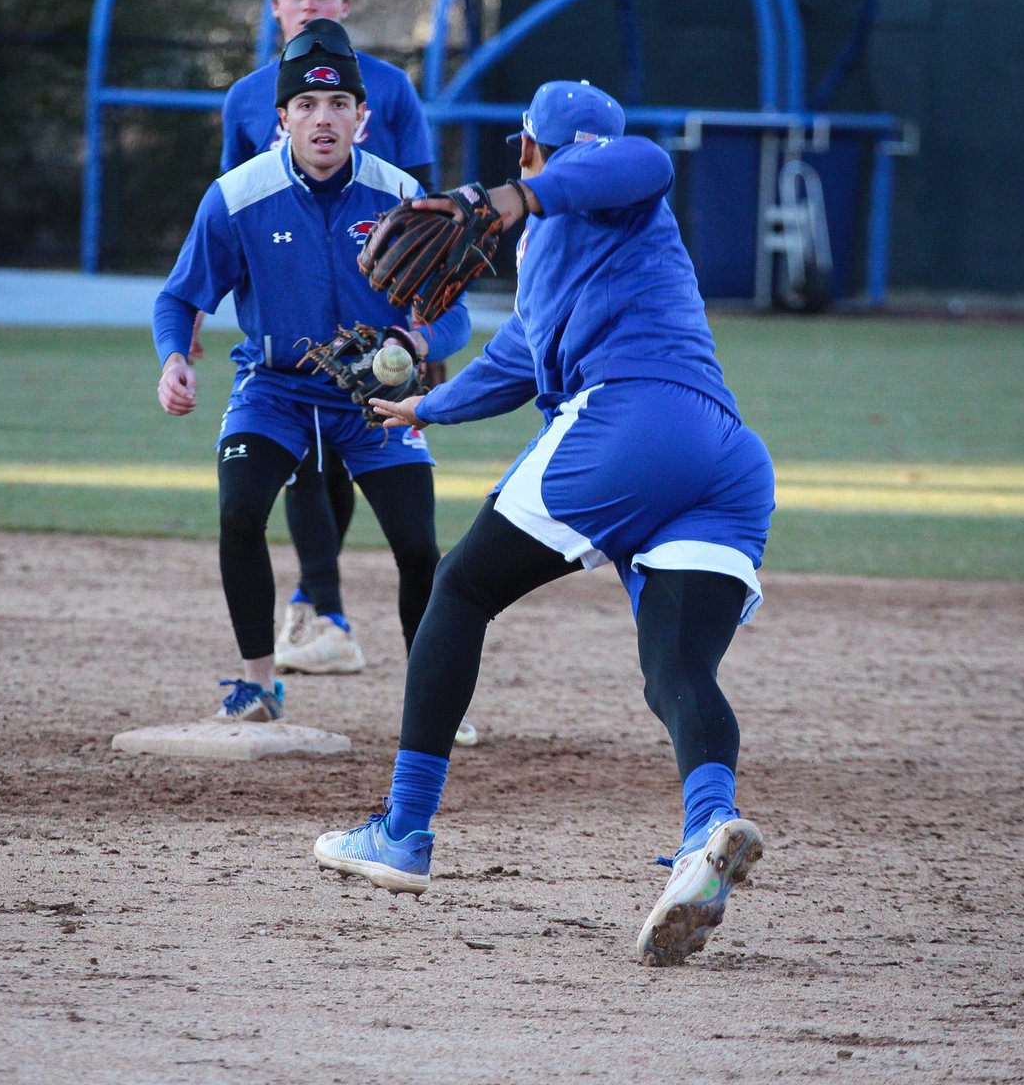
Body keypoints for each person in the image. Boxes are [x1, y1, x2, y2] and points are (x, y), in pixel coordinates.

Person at [314, 81, 777, 967]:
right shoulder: (552, 251)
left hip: (632, 423)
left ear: (529, 150)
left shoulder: (620, 187)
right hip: (723, 460)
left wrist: (511, 195)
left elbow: (642, 160)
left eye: (523, 153)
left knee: (460, 587)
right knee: (675, 669)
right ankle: (707, 833)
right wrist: (421, 408)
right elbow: (518, 359)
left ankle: (404, 830)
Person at [152, 19, 471, 731]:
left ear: (363, 118)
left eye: (337, 107)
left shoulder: (403, 197)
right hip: (276, 390)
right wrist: (175, 356)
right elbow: (179, 297)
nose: (322, 119)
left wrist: (416, 342)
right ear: (283, 119)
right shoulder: (237, 196)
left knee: (419, 546)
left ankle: (431, 703)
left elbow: (455, 317)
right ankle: (259, 684)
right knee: (240, 512)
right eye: (306, 106)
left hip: (377, 399)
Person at [202, 0, 440, 683]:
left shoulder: (391, 88)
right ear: (276, 6)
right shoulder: (246, 97)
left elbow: (424, 204)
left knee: (397, 515)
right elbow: (238, 208)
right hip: (294, 345)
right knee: (304, 461)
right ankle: (323, 609)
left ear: (344, 3)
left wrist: (423, 323)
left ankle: (341, 620)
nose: (310, 1)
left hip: (383, 326)